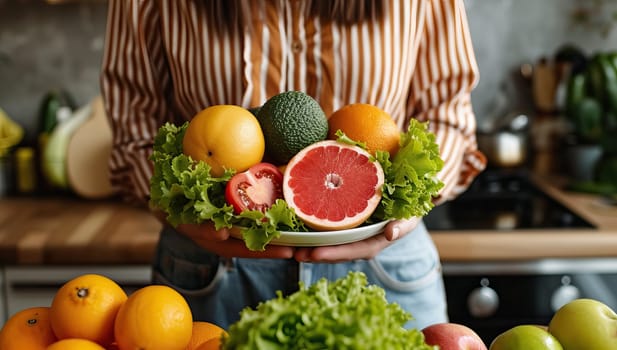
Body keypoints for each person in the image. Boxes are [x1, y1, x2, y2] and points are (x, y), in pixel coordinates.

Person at [100, 0, 486, 331]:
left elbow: (447, 109)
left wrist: (411, 207)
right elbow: (135, 128)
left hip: (383, 261)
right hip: (214, 265)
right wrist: (178, 213)